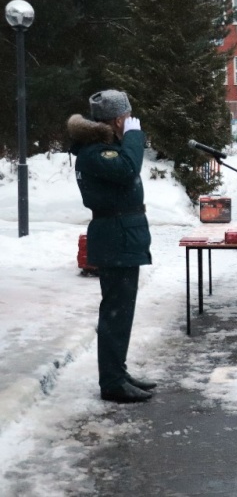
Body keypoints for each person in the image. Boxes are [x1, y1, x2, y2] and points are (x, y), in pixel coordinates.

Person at [67, 90, 156, 403]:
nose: (129, 121)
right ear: (118, 118)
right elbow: (127, 169)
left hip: (121, 235)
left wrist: (127, 140)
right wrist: (134, 137)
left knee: (121, 312)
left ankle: (117, 373)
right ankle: (113, 383)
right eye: (126, 117)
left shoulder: (103, 147)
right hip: (115, 235)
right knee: (115, 314)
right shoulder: (95, 151)